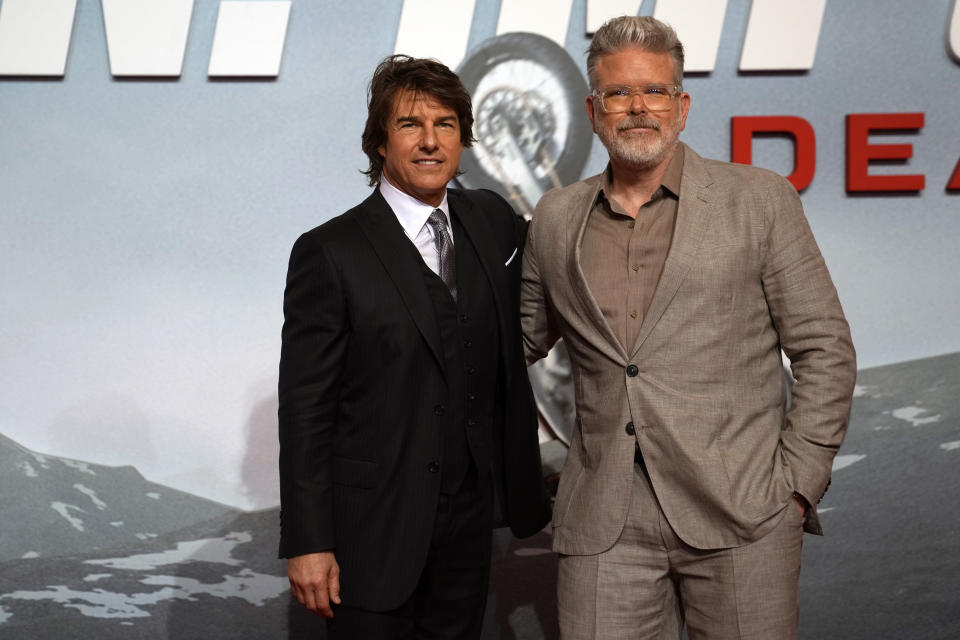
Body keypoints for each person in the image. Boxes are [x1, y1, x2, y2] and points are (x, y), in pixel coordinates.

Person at [520, 16, 857, 640]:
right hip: (603, 521)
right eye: (619, 93)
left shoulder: (759, 199)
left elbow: (825, 349)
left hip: (744, 512)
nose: (637, 107)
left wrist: (797, 490)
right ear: (595, 110)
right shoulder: (556, 216)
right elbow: (515, 344)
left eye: (655, 91)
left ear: (682, 105)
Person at [278, 54, 550, 639]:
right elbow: (305, 411)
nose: (430, 142)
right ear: (379, 142)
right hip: (370, 537)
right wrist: (308, 542)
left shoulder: (492, 219)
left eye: (445, 125)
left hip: (470, 532)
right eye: (410, 125)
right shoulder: (329, 252)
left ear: (462, 137)